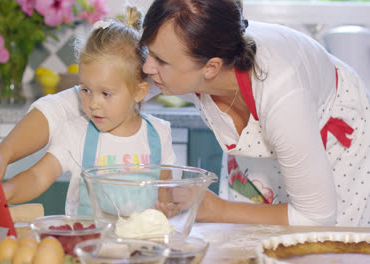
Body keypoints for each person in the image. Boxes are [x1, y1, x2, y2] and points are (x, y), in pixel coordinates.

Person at [140, 0, 370, 227]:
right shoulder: (195, 54)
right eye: (148, 52)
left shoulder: (284, 98)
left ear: (211, 68)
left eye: (160, 61)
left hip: (332, 139)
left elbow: (316, 218)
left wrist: (218, 210)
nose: (147, 68)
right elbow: (125, 85)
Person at [0, 7, 175, 216]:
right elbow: (37, 177)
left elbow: (165, 192)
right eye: (86, 90)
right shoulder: (75, 133)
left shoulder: (159, 134)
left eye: (106, 94)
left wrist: (167, 208)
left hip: (142, 245)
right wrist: (0, 193)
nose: (93, 103)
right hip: (88, 244)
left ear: (139, 92)